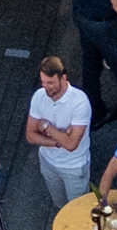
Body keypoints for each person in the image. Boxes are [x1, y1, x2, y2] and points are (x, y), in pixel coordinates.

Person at [25, 56, 93, 221]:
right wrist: (58, 140)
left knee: (78, 210)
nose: (46, 88)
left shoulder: (79, 102)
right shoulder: (39, 97)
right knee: (60, 205)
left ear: (63, 78)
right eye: (43, 82)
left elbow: (71, 145)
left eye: (50, 83)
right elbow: (30, 135)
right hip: (48, 162)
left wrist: (47, 127)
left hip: (74, 167)